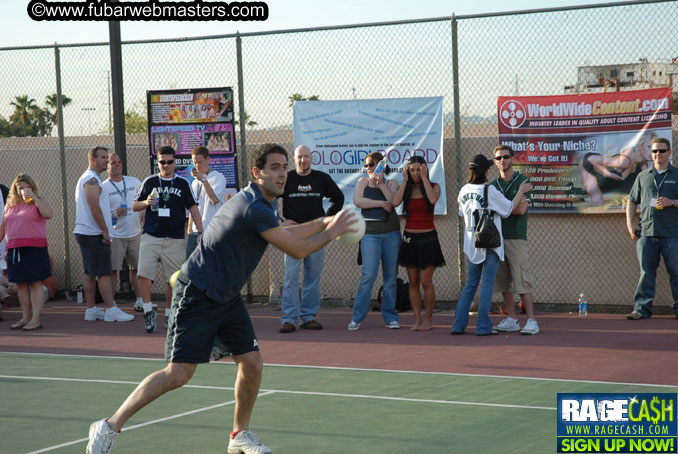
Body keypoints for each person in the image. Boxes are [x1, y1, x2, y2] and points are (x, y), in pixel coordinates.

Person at [86, 143, 357, 454]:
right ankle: (109, 426)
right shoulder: (253, 207)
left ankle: (239, 435)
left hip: (226, 296)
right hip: (198, 292)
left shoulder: (262, 204)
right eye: (275, 168)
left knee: (252, 363)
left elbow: (288, 233)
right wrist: (333, 231)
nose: (283, 174)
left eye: (285, 167)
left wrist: (324, 223)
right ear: (258, 173)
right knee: (178, 374)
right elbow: (295, 248)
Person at [452, 154, 531, 336]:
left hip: (472, 243)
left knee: (471, 284)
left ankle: (458, 324)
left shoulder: (464, 190)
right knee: (487, 283)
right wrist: (520, 191)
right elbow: (509, 209)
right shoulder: (489, 190)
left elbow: (461, 211)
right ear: (486, 171)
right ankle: (483, 326)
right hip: (489, 243)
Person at [134, 146, 203, 334]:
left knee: (172, 279)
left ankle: (170, 312)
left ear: (175, 163)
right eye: (162, 162)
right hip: (151, 235)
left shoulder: (182, 183)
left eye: (169, 162)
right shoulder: (149, 182)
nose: (166, 165)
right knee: (144, 274)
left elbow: (193, 208)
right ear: (157, 163)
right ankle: (148, 310)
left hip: (174, 238)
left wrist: (201, 232)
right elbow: (134, 205)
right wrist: (146, 203)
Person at [279, 144, 344, 333]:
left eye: (306, 156)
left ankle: (308, 317)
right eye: (300, 157)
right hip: (292, 234)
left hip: (316, 235)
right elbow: (269, 199)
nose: (303, 160)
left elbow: (338, 198)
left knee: (312, 277)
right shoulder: (286, 178)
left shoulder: (321, 179)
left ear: (312, 158)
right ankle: (289, 319)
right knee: (290, 277)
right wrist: (280, 221)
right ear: (294, 158)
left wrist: (327, 221)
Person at [74, 146, 134, 324]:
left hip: (87, 232)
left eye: (106, 157)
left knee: (90, 273)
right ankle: (111, 309)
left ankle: (91, 309)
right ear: (92, 159)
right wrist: (105, 231)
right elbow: (94, 207)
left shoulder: (91, 179)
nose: (106, 161)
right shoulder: (91, 179)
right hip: (93, 233)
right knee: (104, 273)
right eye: (102, 158)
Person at [625, 137, 678, 320]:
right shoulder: (643, 176)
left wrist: (672, 202)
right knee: (646, 273)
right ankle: (641, 309)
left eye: (662, 151)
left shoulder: (676, 175)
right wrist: (630, 224)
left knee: (676, 272)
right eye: (654, 151)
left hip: (672, 234)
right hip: (646, 233)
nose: (657, 155)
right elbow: (631, 201)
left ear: (669, 153)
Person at [490, 145, 540, 335]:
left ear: (512, 158)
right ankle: (511, 318)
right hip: (498, 239)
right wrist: (507, 207)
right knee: (503, 282)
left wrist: (505, 209)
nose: (502, 160)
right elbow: (498, 210)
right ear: (495, 162)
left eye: (505, 156)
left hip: (516, 237)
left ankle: (532, 320)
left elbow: (520, 210)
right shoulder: (493, 186)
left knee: (521, 280)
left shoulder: (523, 181)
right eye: (498, 158)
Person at [349, 152, 401, 331]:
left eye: (372, 164)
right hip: (370, 234)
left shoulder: (392, 182)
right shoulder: (362, 182)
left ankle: (390, 317)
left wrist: (380, 184)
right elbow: (358, 201)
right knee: (368, 275)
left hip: (391, 234)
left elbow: (393, 201)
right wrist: (380, 204)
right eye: (367, 165)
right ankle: (357, 318)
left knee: (390, 278)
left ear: (381, 165)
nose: (369, 168)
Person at [392, 155, 444, 331]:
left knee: (426, 281)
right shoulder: (405, 187)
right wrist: (405, 182)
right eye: (412, 170)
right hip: (410, 240)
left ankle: (428, 320)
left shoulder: (434, 187)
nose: (415, 173)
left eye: (418, 169)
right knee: (413, 281)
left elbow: (432, 200)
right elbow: (395, 202)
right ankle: (417, 320)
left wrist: (424, 178)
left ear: (424, 169)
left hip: (428, 239)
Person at [0, 174, 52, 330]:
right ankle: (25, 317)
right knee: (21, 285)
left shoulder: (37, 202)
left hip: (35, 248)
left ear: (32, 187)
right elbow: (3, 227)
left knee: (35, 283)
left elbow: (48, 214)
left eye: (26, 187)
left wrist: (35, 197)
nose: (23, 190)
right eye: (20, 187)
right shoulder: (10, 204)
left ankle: (35, 319)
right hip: (15, 249)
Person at [103, 153, 144, 311]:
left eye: (119, 162)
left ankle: (140, 300)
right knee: (113, 270)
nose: (117, 165)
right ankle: (111, 305)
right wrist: (114, 213)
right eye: (113, 162)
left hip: (135, 233)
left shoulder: (134, 182)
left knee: (137, 268)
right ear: (107, 166)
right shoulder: (104, 187)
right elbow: (98, 211)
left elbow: (144, 200)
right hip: (116, 235)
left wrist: (144, 214)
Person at [579, 132, 656, 204]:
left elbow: (648, 186)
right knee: (598, 200)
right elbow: (589, 159)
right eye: (649, 147)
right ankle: (581, 191)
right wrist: (609, 174)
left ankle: (583, 191)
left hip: (609, 182)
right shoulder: (624, 161)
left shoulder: (642, 164)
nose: (652, 151)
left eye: (654, 148)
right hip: (588, 164)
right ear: (639, 146)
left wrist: (657, 202)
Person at [186, 146, 227, 258]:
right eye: (195, 162)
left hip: (212, 229)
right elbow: (192, 206)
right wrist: (189, 230)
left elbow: (214, 200)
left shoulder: (218, 177)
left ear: (208, 159)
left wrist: (203, 180)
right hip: (195, 231)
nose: (197, 166)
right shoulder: (194, 183)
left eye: (200, 162)